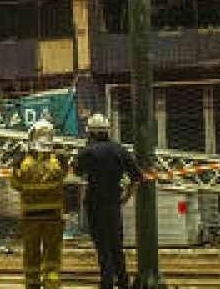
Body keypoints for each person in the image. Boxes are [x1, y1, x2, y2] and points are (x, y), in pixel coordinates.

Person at [73, 113, 141, 289]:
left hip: (95, 203)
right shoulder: (119, 149)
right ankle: (123, 281)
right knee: (116, 244)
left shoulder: (87, 151)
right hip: (113, 203)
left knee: (102, 245)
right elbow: (136, 176)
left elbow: (77, 172)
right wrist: (127, 196)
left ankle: (107, 282)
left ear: (91, 133)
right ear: (107, 131)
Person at [10, 119, 68, 289]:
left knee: (31, 255)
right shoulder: (57, 163)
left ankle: (32, 285)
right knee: (52, 256)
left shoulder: (25, 164)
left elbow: (16, 185)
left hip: (30, 218)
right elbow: (62, 178)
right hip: (53, 217)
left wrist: (15, 166)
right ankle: (51, 283)